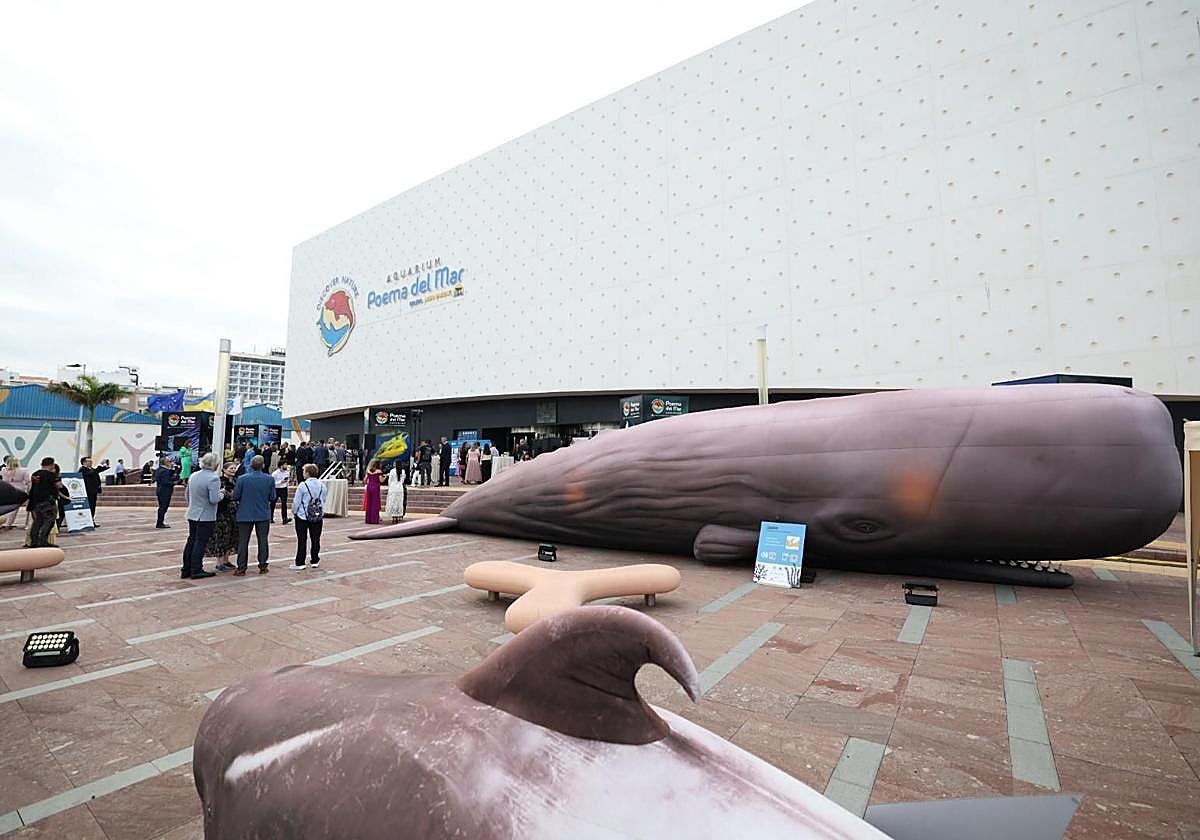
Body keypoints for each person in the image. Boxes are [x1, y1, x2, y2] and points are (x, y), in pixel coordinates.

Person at [181, 452, 224, 580]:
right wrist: (222, 493)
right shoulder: (213, 478)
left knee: (191, 541)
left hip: (193, 513)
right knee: (200, 542)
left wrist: (194, 504)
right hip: (205, 515)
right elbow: (214, 499)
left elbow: (187, 495)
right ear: (215, 465)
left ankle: (186, 568)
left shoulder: (193, 475)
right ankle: (196, 569)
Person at [232, 454, 274, 576]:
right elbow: (272, 497)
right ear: (263, 465)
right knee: (263, 540)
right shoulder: (269, 479)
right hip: (263, 513)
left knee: (243, 541)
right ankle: (263, 565)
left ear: (251, 465)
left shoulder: (242, 479)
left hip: (245, 513)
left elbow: (235, 496)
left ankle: (241, 567)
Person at [291, 463, 327, 570]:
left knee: (302, 539)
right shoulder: (322, 485)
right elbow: (323, 500)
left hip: (303, 516)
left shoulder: (303, 485)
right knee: (316, 539)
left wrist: (294, 512)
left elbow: (297, 502)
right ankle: (315, 560)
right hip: (317, 515)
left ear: (307, 473)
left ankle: (300, 562)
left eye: (304, 471)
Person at [207, 462, 240, 572]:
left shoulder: (236, 481)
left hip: (233, 512)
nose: (233, 470)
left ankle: (226, 560)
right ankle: (219, 562)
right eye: (231, 468)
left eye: (235, 468)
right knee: (221, 537)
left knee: (231, 536)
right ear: (224, 470)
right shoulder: (220, 481)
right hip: (222, 512)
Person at [25, 457, 64, 547]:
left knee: (37, 521)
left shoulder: (35, 474)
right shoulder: (51, 475)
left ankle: (34, 541)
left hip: (36, 501)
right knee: (49, 521)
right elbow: (59, 486)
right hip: (48, 501)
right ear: (52, 465)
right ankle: (43, 540)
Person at [1, 455, 30, 530]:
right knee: (29, 508)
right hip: (20, 491)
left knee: (9, 508)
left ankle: (7, 523)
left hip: (7, 490)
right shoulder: (24, 470)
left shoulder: (3, 470)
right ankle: (27, 524)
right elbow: (28, 481)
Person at [79, 457, 109, 526]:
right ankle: (88, 521)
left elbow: (97, 470)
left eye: (91, 461)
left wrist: (106, 465)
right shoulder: (83, 469)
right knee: (90, 506)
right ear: (84, 462)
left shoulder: (91, 469)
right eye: (89, 461)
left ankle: (91, 520)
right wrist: (101, 464)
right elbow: (93, 472)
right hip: (88, 491)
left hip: (93, 491)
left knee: (93, 506)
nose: (91, 463)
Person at [153, 456, 178, 528]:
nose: (171, 463)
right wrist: (174, 482)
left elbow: (169, 476)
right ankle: (160, 523)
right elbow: (166, 481)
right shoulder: (164, 471)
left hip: (160, 490)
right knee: (163, 507)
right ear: (165, 462)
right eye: (169, 461)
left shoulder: (160, 469)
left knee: (162, 507)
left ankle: (160, 522)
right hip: (165, 491)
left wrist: (173, 471)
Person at [363, 459, 382, 524]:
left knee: (369, 503)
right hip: (376, 487)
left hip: (369, 486)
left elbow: (365, 480)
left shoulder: (368, 471)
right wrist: (385, 477)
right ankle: (374, 519)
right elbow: (381, 480)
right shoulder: (379, 471)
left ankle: (368, 519)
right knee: (375, 503)